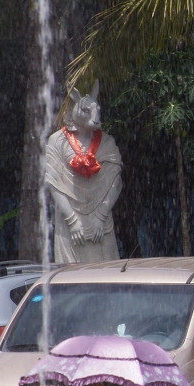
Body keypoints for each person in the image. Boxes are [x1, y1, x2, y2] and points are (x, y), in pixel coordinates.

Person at [45, 81, 122, 263]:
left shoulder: (107, 143)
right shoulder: (57, 142)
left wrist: (100, 216)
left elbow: (116, 182)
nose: (95, 118)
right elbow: (54, 184)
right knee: (70, 276)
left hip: (100, 223)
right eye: (87, 111)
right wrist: (72, 221)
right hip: (70, 224)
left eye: (96, 111)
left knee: (106, 273)